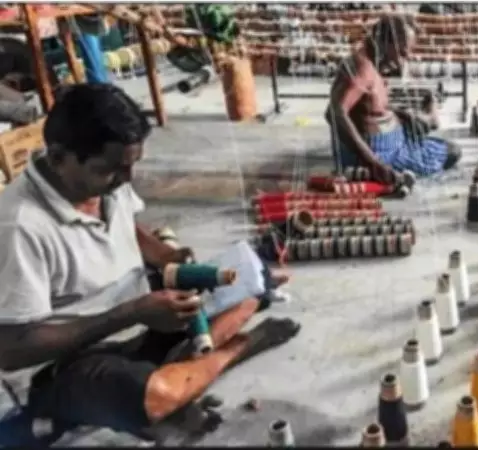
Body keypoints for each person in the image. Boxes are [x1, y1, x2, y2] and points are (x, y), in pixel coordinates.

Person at [0, 83, 301, 437]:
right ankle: (235, 349)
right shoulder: (18, 227)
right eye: (112, 169)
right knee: (156, 394)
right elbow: (12, 349)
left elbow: (126, 223)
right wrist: (130, 313)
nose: (127, 179)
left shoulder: (105, 178)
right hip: (71, 363)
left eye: (132, 165)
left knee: (245, 285)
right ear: (57, 158)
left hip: (138, 322)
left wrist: (166, 256)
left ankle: (186, 368)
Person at [325, 15, 462, 182]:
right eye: (402, 53)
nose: (403, 61)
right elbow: (334, 113)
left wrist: (399, 115)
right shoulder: (362, 68)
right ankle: (429, 116)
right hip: (383, 156)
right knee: (452, 151)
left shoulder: (371, 64)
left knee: (421, 128)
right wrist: (375, 164)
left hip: (391, 143)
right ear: (385, 43)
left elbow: (367, 109)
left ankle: (426, 116)